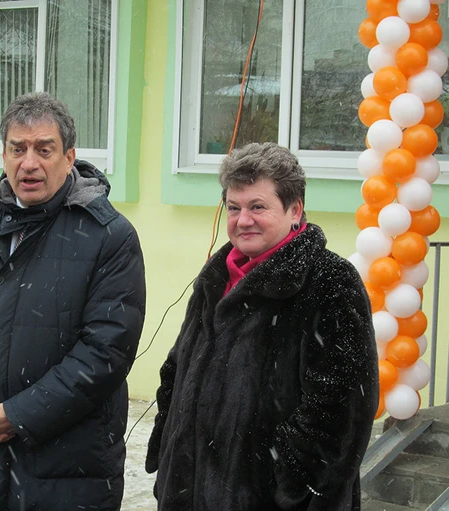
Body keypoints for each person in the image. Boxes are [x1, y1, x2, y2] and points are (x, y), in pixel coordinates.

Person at [0, 92, 146, 511]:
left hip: (70, 476)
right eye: (17, 149)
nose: (29, 163)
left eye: (44, 150)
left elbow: (106, 352)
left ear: (69, 157)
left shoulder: (109, 237)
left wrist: (18, 415)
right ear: (3, 156)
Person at [145, 142, 378, 510]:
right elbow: (178, 368)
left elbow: (340, 412)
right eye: (234, 208)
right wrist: (169, 449)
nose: (243, 220)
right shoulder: (216, 277)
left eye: (257, 207)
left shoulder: (329, 281)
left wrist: (290, 485)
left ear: (294, 209)